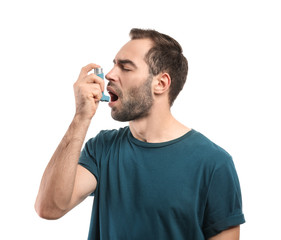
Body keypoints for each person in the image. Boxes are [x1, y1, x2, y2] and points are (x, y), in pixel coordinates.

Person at [35, 28, 245, 240]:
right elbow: (49, 208)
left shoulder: (214, 164)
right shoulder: (102, 148)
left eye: (125, 68)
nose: (109, 74)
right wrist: (81, 117)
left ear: (160, 84)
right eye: (114, 64)